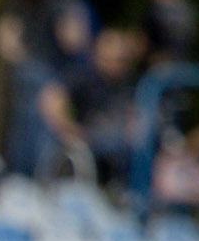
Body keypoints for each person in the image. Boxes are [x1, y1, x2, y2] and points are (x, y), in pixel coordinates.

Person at [40, 28, 142, 188]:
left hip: (124, 142)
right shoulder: (83, 75)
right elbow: (51, 97)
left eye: (122, 60)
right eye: (113, 59)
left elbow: (138, 113)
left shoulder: (131, 82)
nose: (117, 64)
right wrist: (67, 127)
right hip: (89, 140)